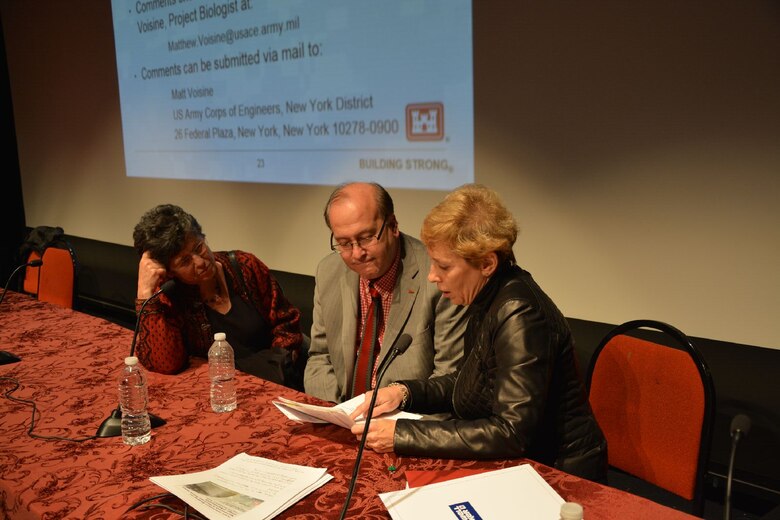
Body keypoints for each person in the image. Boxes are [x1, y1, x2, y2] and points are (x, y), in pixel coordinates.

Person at [349, 184, 607, 481]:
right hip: (527, 463)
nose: (432, 276)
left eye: (443, 266)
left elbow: (510, 432)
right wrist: (403, 393)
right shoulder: (488, 295)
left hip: (561, 472)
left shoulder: (519, 314)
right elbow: (469, 383)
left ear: (486, 263)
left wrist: (403, 434)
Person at [303, 182, 467, 403]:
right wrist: (339, 414)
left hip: (404, 422)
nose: (357, 253)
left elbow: (449, 378)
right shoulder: (328, 272)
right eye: (343, 243)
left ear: (393, 225)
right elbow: (319, 358)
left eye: (366, 238)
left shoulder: (437, 278)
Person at [132, 204, 303, 387]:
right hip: (215, 393)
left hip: (271, 384)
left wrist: (265, 368)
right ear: (169, 271)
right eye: (184, 261)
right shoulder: (169, 296)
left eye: (199, 247)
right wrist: (144, 294)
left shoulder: (246, 267)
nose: (200, 262)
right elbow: (166, 364)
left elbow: (287, 327)